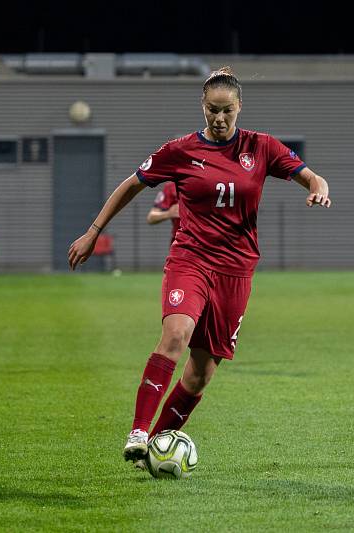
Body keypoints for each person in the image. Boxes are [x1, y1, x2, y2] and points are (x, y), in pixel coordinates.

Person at [68, 67, 331, 467]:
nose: (220, 119)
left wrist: (318, 191)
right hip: (190, 259)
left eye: (227, 111)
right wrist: (92, 231)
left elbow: (314, 178)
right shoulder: (180, 151)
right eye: (212, 110)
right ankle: (138, 430)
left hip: (236, 272)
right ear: (202, 107)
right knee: (176, 333)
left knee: (201, 373)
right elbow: (131, 185)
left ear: (240, 107)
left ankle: (154, 445)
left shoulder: (261, 147)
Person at [146, 182, 180, 246]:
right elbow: (151, 217)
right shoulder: (171, 186)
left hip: (203, 240)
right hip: (180, 243)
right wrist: (169, 213)